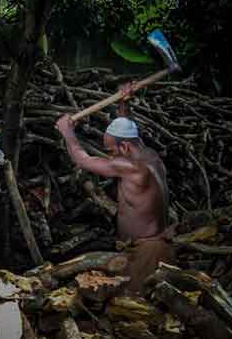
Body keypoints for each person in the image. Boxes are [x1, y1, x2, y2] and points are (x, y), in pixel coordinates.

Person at [55, 86, 173, 294]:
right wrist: (123, 104)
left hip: (148, 250)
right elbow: (130, 130)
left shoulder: (130, 167)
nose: (110, 157)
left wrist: (67, 132)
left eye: (111, 151)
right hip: (149, 244)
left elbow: (83, 160)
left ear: (126, 148)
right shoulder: (149, 154)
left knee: (136, 306)